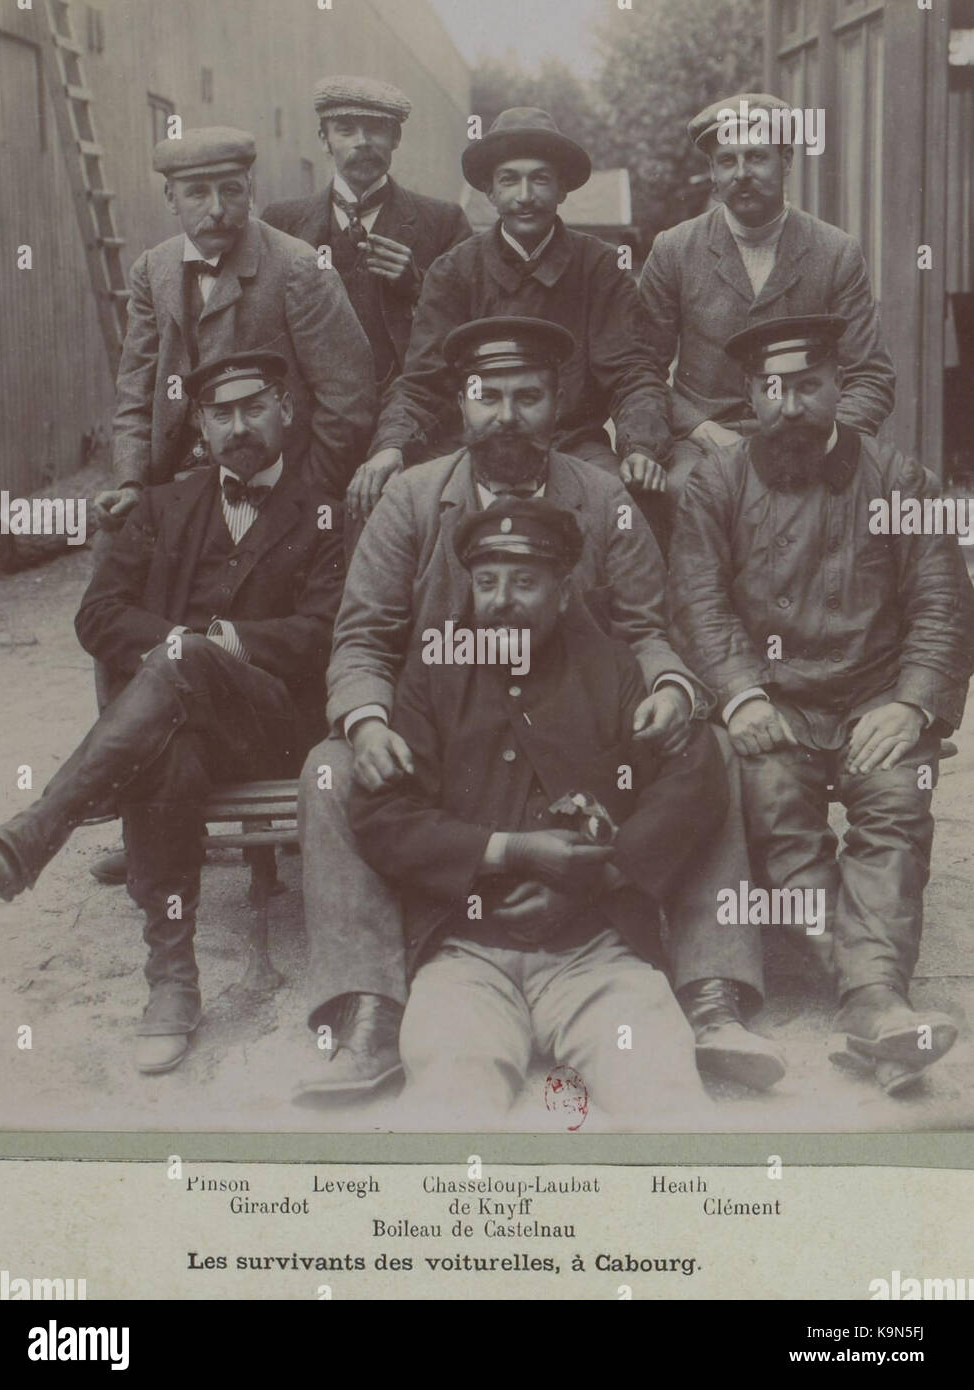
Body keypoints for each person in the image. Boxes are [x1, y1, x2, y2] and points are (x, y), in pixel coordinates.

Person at [295, 316, 782, 1099]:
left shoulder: (603, 496)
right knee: (330, 769)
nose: (507, 415)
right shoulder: (413, 499)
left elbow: (646, 625)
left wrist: (667, 686)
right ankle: (372, 1008)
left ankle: (711, 991)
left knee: (706, 746)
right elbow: (362, 635)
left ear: (557, 405)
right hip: (443, 735)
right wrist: (369, 720)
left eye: (528, 396)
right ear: (462, 403)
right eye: (489, 397)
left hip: (582, 732)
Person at [0, 352, 344, 1076]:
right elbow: (99, 616)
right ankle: (172, 981)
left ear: (286, 410)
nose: (237, 426)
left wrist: (213, 648)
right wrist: (181, 652)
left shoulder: (328, 509)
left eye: (253, 407)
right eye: (221, 414)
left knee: (181, 666)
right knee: (166, 745)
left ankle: (39, 830)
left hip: (272, 731)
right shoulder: (161, 507)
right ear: (202, 425)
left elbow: (330, 629)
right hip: (176, 729)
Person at [667, 314, 974, 1094]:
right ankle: (873, 999)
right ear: (748, 394)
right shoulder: (714, 483)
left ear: (840, 385)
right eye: (773, 389)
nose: (792, 405)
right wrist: (738, 694)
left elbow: (942, 604)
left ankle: (870, 1000)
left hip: (876, 699)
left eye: (809, 385)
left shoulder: (903, 481)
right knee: (772, 806)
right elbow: (699, 605)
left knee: (900, 801)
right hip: (774, 704)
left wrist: (909, 707)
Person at [348, 499, 727, 1126]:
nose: (501, 599)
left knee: (666, 1099)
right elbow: (383, 814)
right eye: (486, 581)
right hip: (466, 954)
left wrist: (603, 876)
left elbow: (695, 776)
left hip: (597, 954)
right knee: (447, 1108)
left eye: (525, 582)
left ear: (562, 590)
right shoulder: (433, 673)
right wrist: (511, 850)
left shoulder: (612, 666)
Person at [352, 107, 670, 529]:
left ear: (562, 190)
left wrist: (641, 447)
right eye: (509, 180)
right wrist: (391, 446)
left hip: (570, 443)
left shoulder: (600, 267)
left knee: (630, 510)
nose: (524, 195)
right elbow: (422, 384)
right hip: (471, 442)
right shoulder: (454, 271)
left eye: (540, 178)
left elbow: (632, 373)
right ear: (490, 192)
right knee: (388, 500)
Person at [95, 126, 376, 527]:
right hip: (170, 488)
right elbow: (134, 394)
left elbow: (349, 401)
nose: (216, 209)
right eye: (197, 193)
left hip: (275, 489)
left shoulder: (299, 267)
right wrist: (130, 482)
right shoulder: (151, 270)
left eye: (230, 190)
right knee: (116, 574)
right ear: (170, 198)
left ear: (250, 189)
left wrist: (304, 497)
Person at [636, 92, 895, 504]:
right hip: (705, 438)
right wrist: (703, 429)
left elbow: (871, 377)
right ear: (713, 173)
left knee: (862, 501)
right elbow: (641, 370)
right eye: (727, 161)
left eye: (757, 157)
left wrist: (824, 440)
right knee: (690, 495)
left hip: (808, 435)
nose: (742, 173)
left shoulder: (836, 251)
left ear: (786, 161)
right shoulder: (674, 249)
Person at [262, 75, 471, 399]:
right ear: (323, 139)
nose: (362, 141)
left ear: (396, 138)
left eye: (375, 129)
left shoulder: (444, 221)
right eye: (346, 129)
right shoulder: (280, 223)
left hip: (408, 406)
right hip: (313, 411)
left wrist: (417, 282)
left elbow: (468, 318)